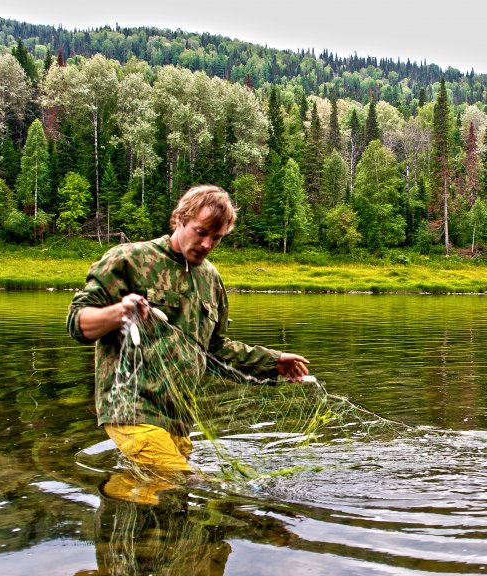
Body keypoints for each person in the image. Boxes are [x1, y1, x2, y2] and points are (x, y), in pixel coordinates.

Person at [67, 185, 309, 475]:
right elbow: (78, 323)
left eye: (216, 238)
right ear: (180, 219)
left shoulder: (211, 279)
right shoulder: (128, 260)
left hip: (179, 417)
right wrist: (119, 312)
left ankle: (120, 495)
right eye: (201, 232)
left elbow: (214, 349)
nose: (207, 244)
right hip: (131, 407)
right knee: (180, 480)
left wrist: (272, 361)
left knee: (167, 503)